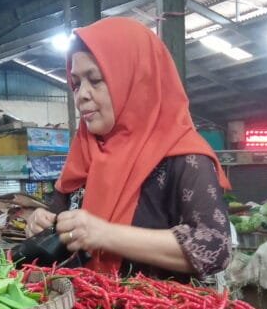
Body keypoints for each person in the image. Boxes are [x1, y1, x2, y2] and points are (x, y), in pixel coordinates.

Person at [25, 17, 232, 279]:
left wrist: (105, 234)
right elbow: (60, 227)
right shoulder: (84, 153)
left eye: (96, 80)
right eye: (76, 83)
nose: (82, 95)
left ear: (137, 80)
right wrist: (40, 223)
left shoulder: (184, 157)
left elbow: (215, 247)